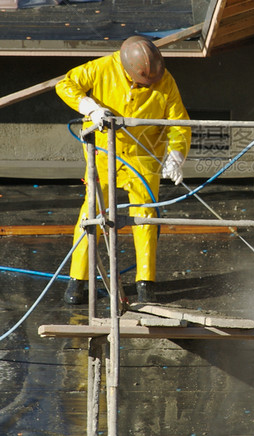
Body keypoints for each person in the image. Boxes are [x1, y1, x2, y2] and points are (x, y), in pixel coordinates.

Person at [56, 36, 191, 305]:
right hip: (105, 154)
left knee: (145, 216)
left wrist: (176, 154)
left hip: (145, 153)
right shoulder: (102, 68)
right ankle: (78, 280)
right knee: (91, 212)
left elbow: (179, 122)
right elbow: (65, 84)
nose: (149, 86)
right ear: (126, 69)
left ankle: (146, 283)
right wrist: (91, 108)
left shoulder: (166, 81)